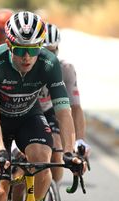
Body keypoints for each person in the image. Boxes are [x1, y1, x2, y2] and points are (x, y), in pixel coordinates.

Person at [0, 11, 86, 201]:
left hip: (28, 115)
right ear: (9, 45)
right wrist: (0, 152)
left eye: (33, 49)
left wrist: (69, 152)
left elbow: (63, 112)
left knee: (44, 161)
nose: (27, 57)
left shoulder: (49, 63)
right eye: (19, 50)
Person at [39, 23, 90, 183]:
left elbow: (74, 107)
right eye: (44, 52)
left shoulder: (65, 69)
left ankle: (51, 197)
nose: (48, 57)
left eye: (52, 51)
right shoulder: (25, 66)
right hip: (23, 112)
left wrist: (80, 140)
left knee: (56, 153)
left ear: (57, 49)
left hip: (47, 111)